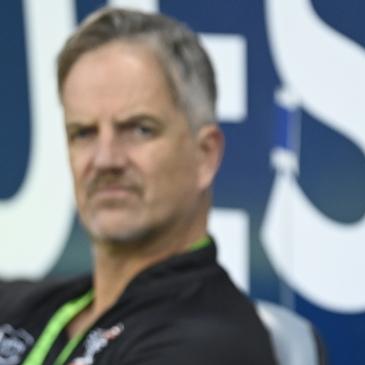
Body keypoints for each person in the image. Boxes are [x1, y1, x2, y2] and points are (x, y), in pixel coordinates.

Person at [0, 7, 277, 365]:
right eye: (83, 133)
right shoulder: (37, 306)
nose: (105, 160)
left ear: (205, 154)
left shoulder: (208, 341)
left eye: (139, 129)